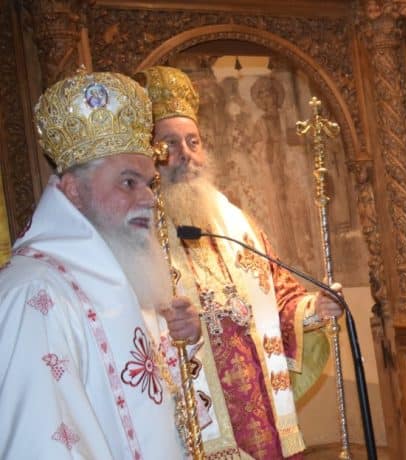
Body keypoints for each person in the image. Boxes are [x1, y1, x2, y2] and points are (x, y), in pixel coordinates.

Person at [136, 65, 342, 459]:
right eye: (170, 144)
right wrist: (173, 330)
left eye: (193, 142)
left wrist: (315, 307)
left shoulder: (234, 223)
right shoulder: (139, 236)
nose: (186, 155)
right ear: (150, 157)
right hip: (199, 429)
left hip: (264, 417)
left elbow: (279, 293)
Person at [0, 71, 201, 458]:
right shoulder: (35, 293)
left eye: (149, 184)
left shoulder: (120, 277)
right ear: (73, 190)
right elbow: (44, 442)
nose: (150, 199)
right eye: (128, 183)